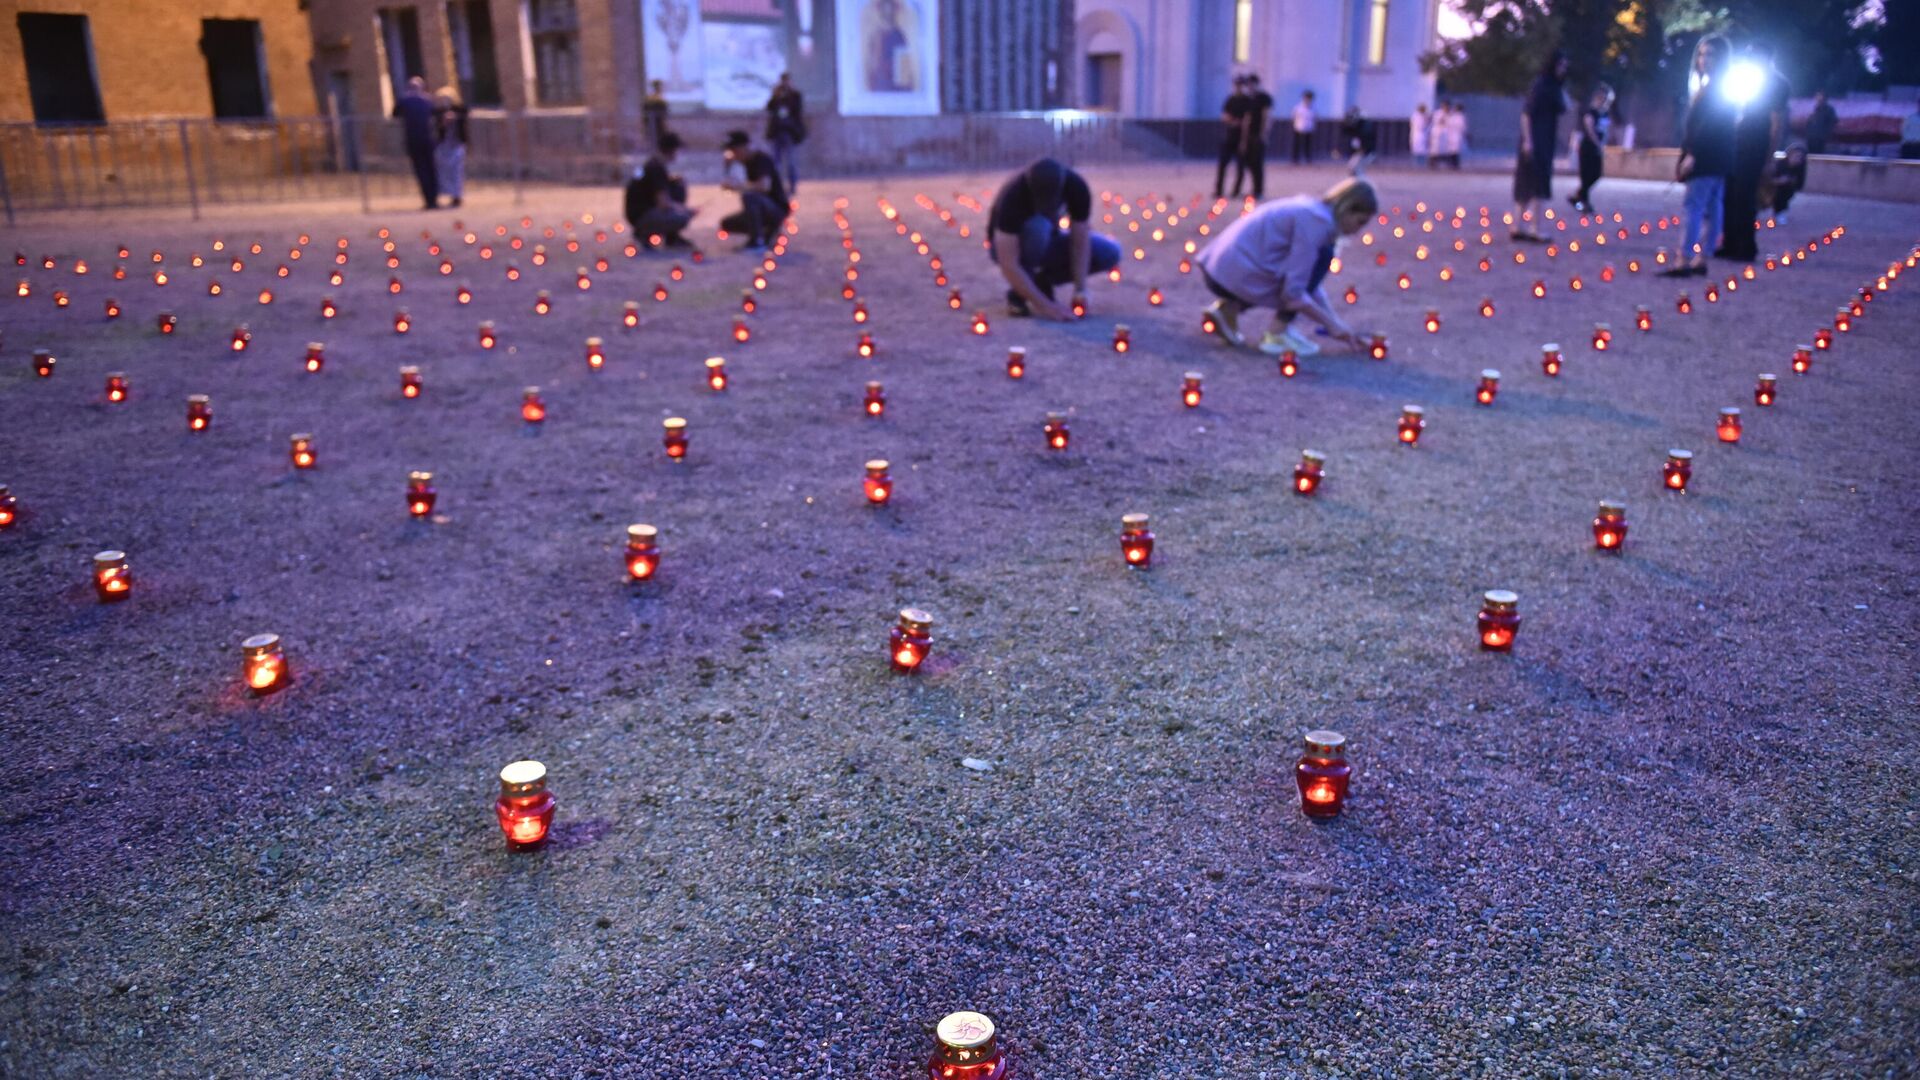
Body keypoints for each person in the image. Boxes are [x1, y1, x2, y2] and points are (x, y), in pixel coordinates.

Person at [1195, 176, 1376, 356]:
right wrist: (1332, 325)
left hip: (1220, 271)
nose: (1359, 230)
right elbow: (1294, 292)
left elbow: (1312, 287)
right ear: (1347, 208)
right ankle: (1277, 334)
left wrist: (1337, 325)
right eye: (1360, 222)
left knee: (1300, 270)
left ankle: (1227, 310)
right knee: (1322, 258)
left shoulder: (1313, 210)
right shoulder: (1317, 223)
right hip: (1234, 274)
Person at [986, 158, 1121, 320]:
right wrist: (1046, 307)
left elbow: (1080, 243)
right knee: (1039, 227)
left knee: (1110, 252)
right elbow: (1008, 262)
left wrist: (1080, 290)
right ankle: (1021, 291)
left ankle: (1040, 281)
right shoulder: (1013, 196)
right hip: (1007, 249)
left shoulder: (1076, 187)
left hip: (1048, 241)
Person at [1663, 35, 1736, 278]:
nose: (1705, 60)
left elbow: (1708, 126)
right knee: (1713, 208)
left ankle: (1684, 258)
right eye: (1702, 54)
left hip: (1706, 157)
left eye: (1711, 54)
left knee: (1695, 207)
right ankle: (1701, 258)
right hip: (1719, 158)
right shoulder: (1718, 88)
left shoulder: (1715, 90)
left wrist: (1692, 154)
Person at [1720, 44, 1789, 263]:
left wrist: (1769, 158)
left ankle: (1746, 246)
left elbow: (1776, 123)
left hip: (1757, 144)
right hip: (1738, 141)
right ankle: (1729, 242)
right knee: (1730, 193)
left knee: (1745, 195)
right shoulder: (1749, 80)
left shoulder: (1777, 84)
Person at [1512, 51, 1569, 241]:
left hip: (1544, 141)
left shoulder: (1553, 87)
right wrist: (1528, 140)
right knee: (1535, 185)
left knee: (1531, 183)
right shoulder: (1542, 86)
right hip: (1537, 142)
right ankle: (1533, 228)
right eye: (1561, 66)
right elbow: (1526, 114)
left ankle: (1518, 226)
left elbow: (1564, 107)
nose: (1563, 70)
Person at [719, 130, 788, 251]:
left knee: (750, 197)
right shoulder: (745, 163)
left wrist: (738, 187)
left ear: (744, 147)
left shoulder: (761, 159)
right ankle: (766, 232)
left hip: (776, 209)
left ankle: (757, 241)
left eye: (735, 150)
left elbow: (764, 186)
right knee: (726, 223)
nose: (733, 154)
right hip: (762, 207)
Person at [625, 132, 695, 247]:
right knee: (682, 218)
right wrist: (685, 210)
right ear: (671, 151)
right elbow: (663, 203)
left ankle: (671, 237)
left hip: (639, 213)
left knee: (677, 185)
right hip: (641, 216)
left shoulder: (653, 164)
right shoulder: (656, 168)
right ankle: (644, 232)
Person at [393, 76, 439, 210]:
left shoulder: (404, 100)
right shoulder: (428, 100)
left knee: (421, 169)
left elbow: (395, 114)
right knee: (431, 169)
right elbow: (435, 115)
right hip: (428, 138)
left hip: (413, 139)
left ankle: (428, 200)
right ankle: (434, 199)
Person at [1569, 83, 1613, 213]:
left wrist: (1603, 144)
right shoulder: (1590, 112)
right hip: (1588, 147)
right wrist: (1597, 143)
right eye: (1603, 98)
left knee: (1596, 174)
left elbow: (1605, 130)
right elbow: (1589, 129)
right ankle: (1584, 204)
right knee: (1586, 176)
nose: (1605, 101)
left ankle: (1578, 196)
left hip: (1597, 148)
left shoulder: (1605, 114)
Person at [764, 72, 806, 194]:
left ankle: (792, 186)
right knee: (776, 163)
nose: (785, 84)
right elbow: (769, 108)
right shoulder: (777, 95)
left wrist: (789, 95)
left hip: (790, 133)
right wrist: (775, 96)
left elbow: (797, 110)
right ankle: (776, 187)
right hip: (776, 133)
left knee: (791, 162)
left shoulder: (795, 95)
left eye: (787, 81)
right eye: (783, 81)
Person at [1214, 74, 1253, 199]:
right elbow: (1224, 116)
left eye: (1241, 85)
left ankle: (1236, 191)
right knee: (1222, 164)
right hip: (1228, 137)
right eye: (1237, 85)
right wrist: (1233, 121)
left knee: (1241, 166)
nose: (1238, 87)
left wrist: (1244, 140)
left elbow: (1248, 120)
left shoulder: (1247, 101)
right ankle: (1218, 190)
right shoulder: (1230, 99)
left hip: (1241, 137)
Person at [1240, 74, 1275, 198]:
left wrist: (1264, 134)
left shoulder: (1264, 98)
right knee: (1250, 162)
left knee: (1258, 163)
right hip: (1249, 135)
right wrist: (1243, 140)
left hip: (1258, 135)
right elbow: (1246, 119)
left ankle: (1259, 190)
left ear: (1256, 84)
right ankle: (1254, 188)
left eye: (1250, 84)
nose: (1249, 87)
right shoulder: (1249, 99)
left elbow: (1267, 116)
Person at [433, 86, 469, 209]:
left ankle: (457, 196)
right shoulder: (438, 112)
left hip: (457, 143)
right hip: (444, 145)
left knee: (456, 170)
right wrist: (443, 122)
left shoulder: (460, 109)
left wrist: (455, 117)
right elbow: (437, 128)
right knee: (445, 171)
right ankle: (448, 193)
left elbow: (464, 115)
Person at [1765, 143, 1807, 226]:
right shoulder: (1779, 164)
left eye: (1800, 157)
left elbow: (1800, 184)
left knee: (1786, 191)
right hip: (1771, 187)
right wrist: (1779, 181)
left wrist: (1792, 182)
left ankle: (1781, 212)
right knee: (1780, 192)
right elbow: (1767, 180)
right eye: (1795, 155)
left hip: (1786, 189)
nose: (1797, 159)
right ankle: (1779, 212)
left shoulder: (1800, 168)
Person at [643, 79, 671, 150]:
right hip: (653, 122)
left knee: (660, 137)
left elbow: (664, 111)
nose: (660, 88)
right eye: (658, 86)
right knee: (654, 137)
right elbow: (646, 110)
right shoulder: (651, 98)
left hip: (659, 122)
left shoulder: (660, 98)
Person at [1291, 91, 1316, 164]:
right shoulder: (1298, 107)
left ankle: (1308, 159)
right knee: (1297, 145)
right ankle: (1295, 159)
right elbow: (1293, 117)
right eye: (1306, 98)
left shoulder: (1313, 108)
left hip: (1309, 129)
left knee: (1308, 145)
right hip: (1299, 128)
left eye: (1309, 98)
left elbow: (1315, 118)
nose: (1308, 100)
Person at [1443, 101, 1468, 168]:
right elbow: (1463, 127)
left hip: (1451, 135)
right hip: (1457, 136)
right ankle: (1454, 164)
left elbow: (1447, 124)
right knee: (1455, 151)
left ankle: (1452, 164)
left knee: (1452, 150)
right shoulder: (1461, 117)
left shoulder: (1452, 116)